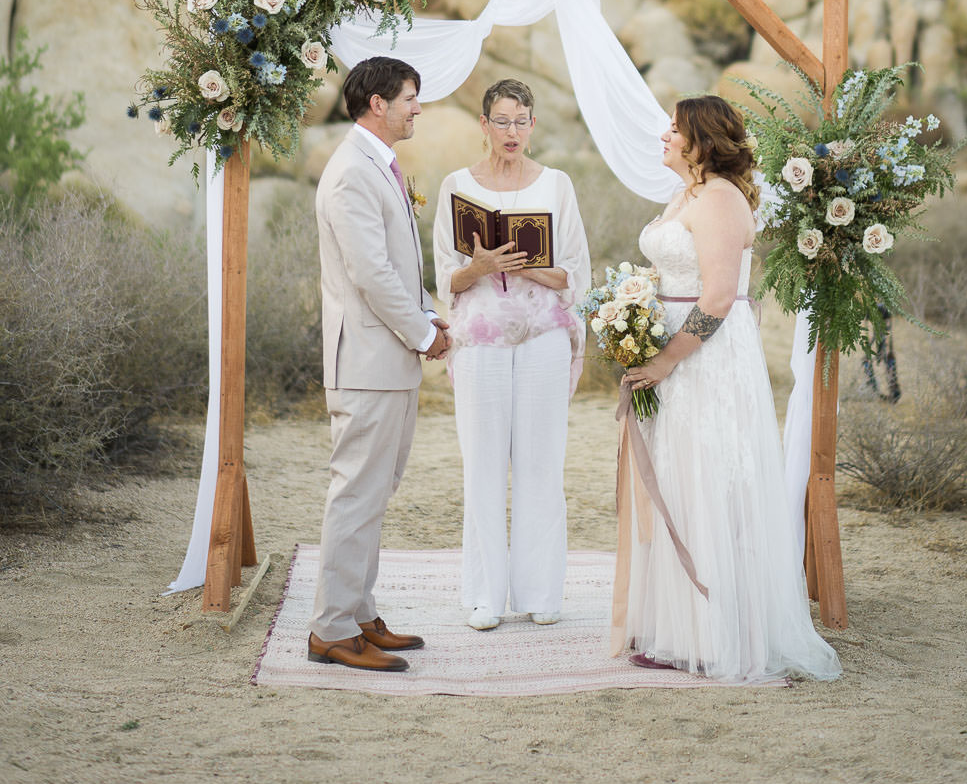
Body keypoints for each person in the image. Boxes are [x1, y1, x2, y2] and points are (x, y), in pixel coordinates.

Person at [618, 95, 842, 683]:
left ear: (700, 141)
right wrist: (632, 311)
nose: (663, 135)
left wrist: (665, 360)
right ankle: (679, 630)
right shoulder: (686, 194)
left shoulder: (719, 199)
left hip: (705, 362)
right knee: (680, 476)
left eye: (674, 128)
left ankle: (716, 636)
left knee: (709, 477)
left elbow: (716, 298)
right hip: (678, 353)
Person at [307, 56, 450, 672]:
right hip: (366, 359)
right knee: (356, 494)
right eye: (410, 98)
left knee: (374, 492)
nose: (418, 108)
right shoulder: (350, 175)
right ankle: (331, 630)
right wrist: (422, 333)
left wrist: (430, 314)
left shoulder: (379, 167)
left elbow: (397, 266)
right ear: (377, 104)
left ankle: (359, 613)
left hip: (386, 359)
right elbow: (369, 274)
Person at [433, 77, 591, 631]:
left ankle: (541, 592)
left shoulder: (557, 184)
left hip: (543, 335)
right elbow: (442, 278)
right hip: (480, 339)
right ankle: (484, 595)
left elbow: (575, 272)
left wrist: (528, 267)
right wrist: (478, 268)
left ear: (532, 125)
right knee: (482, 462)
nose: (512, 132)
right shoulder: (457, 186)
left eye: (522, 121)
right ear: (484, 125)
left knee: (540, 461)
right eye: (502, 121)